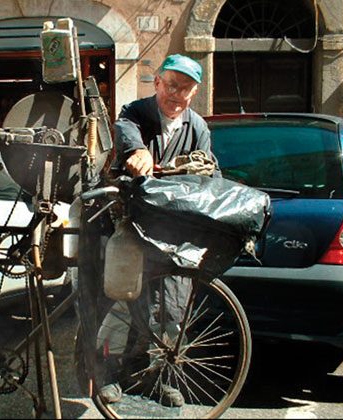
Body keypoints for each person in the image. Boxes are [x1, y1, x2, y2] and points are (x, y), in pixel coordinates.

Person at [100, 54, 220, 408]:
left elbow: (207, 172)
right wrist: (137, 152)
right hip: (134, 229)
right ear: (157, 84)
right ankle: (112, 375)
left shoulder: (196, 127)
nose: (175, 93)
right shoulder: (135, 112)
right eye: (170, 84)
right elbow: (125, 133)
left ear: (194, 92)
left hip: (174, 234)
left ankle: (160, 378)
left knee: (173, 310)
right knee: (124, 303)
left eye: (184, 88)